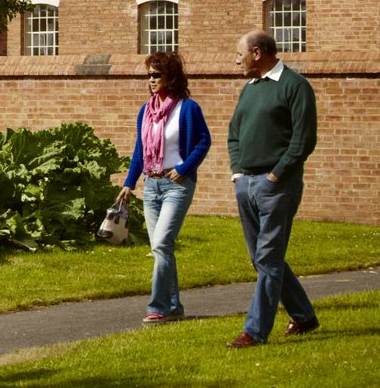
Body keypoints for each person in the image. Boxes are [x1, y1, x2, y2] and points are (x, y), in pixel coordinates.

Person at [225, 30, 319, 349]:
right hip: (246, 184)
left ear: (257, 52)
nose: (236, 60)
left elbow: (303, 140)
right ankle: (304, 315)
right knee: (263, 259)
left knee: (267, 257)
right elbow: (234, 132)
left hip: (278, 185)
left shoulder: (295, 86)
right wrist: (238, 173)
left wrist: (276, 176)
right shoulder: (249, 89)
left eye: (240, 53)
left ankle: (254, 331)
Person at [118, 51, 211, 324]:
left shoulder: (188, 108)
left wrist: (183, 169)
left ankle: (157, 306)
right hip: (151, 185)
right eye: (149, 75)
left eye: (156, 75)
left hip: (176, 186)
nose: (151, 80)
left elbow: (203, 143)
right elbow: (140, 149)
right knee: (162, 248)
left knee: (160, 244)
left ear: (171, 77)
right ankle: (173, 306)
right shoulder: (146, 111)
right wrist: (129, 182)